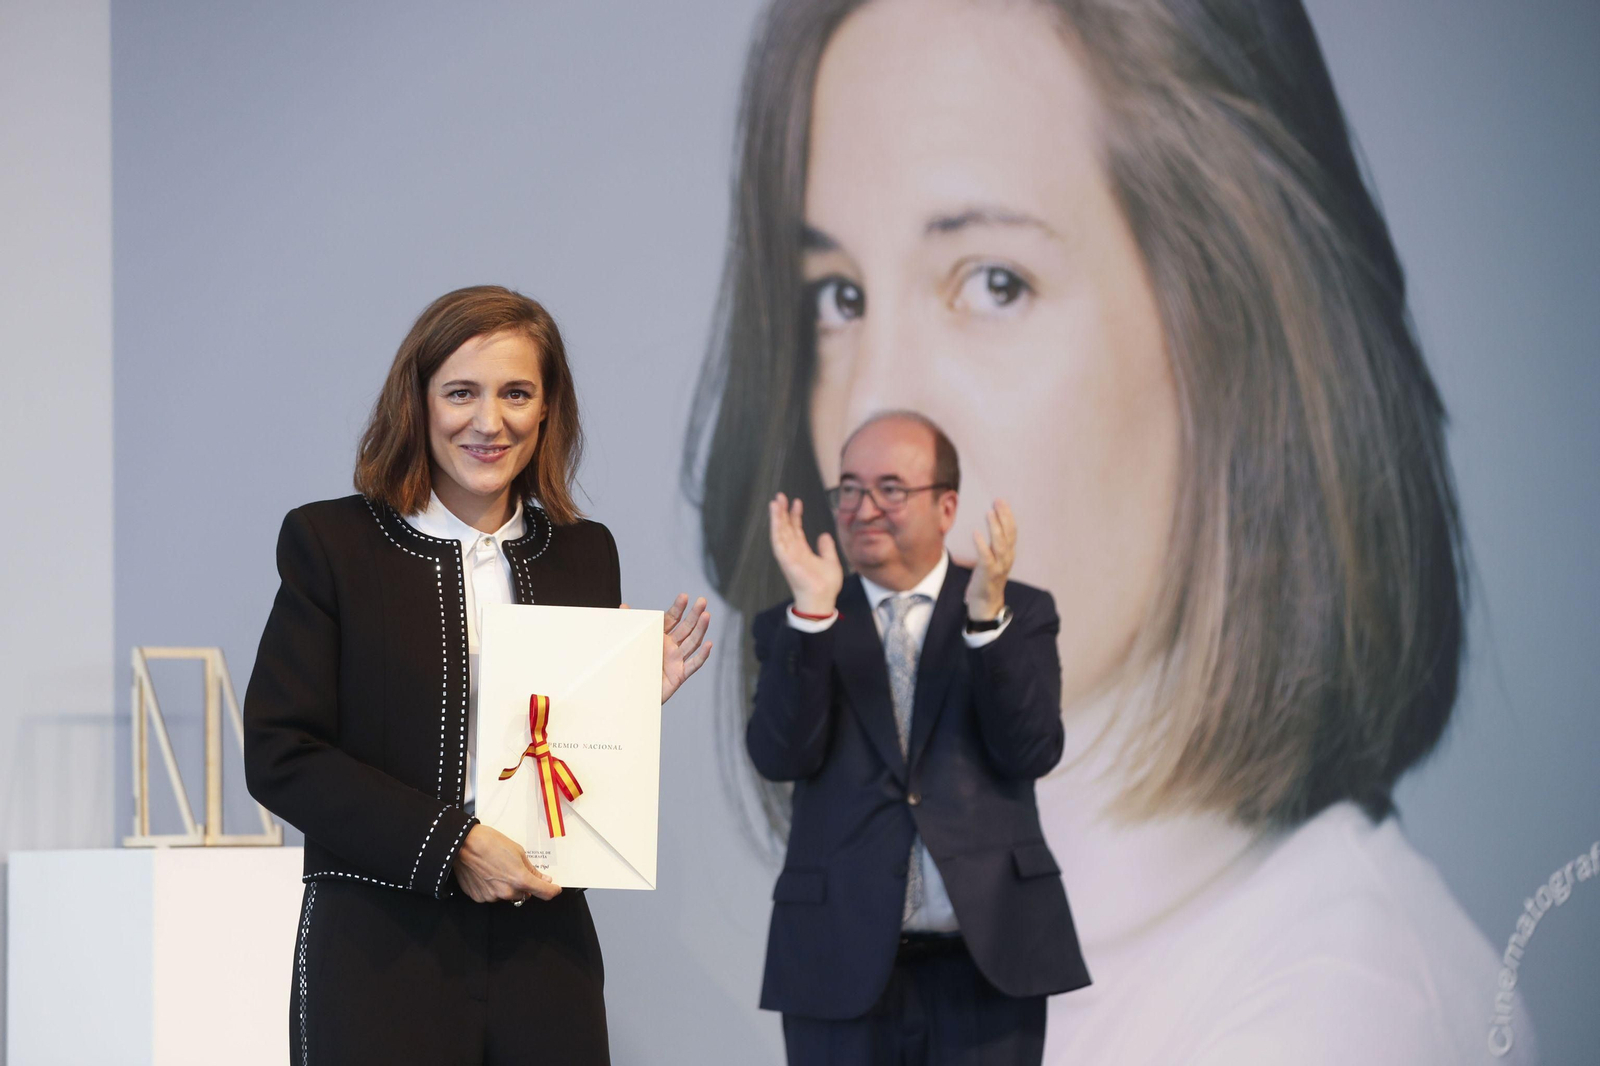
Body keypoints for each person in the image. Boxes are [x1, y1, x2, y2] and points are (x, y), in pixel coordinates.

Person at [684, 0, 1536, 1061]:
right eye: (838, 296)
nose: (874, 423)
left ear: (1228, 330)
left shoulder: (1343, 1016)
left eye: (993, 283)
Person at [245, 285, 711, 1065]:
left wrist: (621, 703)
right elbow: (280, 753)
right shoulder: (333, 543)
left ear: (547, 409)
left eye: (516, 394)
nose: (489, 422)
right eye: (461, 392)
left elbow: (552, 752)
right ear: (418, 402)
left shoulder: (582, 551)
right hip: (379, 944)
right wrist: (454, 843)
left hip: (544, 945)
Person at [749, 411, 1088, 1065]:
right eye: (849, 488)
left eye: (890, 489)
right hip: (837, 963)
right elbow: (780, 755)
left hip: (988, 965)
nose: (863, 507)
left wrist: (987, 626)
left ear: (947, 505)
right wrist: (813, 620)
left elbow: (1031, 750)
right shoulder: (799, 619)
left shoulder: (1016, 608)